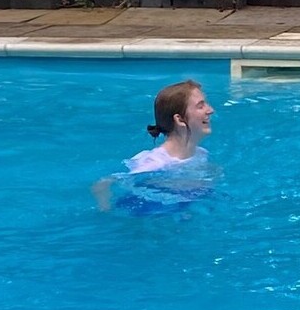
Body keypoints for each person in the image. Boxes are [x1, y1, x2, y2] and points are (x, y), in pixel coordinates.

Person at [92, 79, 219, 214]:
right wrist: (105, 209)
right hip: (147, 214)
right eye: (200, 106)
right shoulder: (155, 163)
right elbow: (102, 184)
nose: (210, 110)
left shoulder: (200, 153)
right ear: (180, 120)